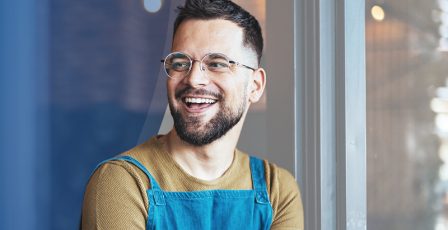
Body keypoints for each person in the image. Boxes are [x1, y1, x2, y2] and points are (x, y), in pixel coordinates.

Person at [81, 0, 304, 229]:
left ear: (255, 86)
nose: (193, 79)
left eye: (217, 63)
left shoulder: (277, 190)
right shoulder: (122, 182)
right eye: (180, 63)